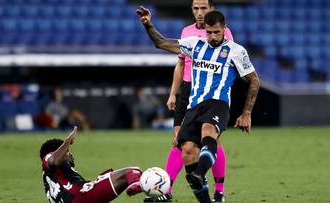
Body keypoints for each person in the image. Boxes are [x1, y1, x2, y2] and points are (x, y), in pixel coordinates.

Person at [137, 7, 260, 203]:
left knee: (208, 131)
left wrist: (246, 113)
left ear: (224, 29)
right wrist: (148, 25)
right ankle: (204, 196)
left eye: (216, 32)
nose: (212, 37)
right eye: (209, 32)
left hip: (218, 103)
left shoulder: (236, 51)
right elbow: (162, 43)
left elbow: (254, 81)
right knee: (186, 151)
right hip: (194, 106)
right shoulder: (195, 45)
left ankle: (202, 173)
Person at [39, 126, 143, 203]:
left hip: (77, 197)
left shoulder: (54, 178)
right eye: (67, 151)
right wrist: (68, 141)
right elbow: (53, 161)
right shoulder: (48, 157)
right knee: (132, 171)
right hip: (82, 196)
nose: (70, 154)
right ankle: (137, 185)